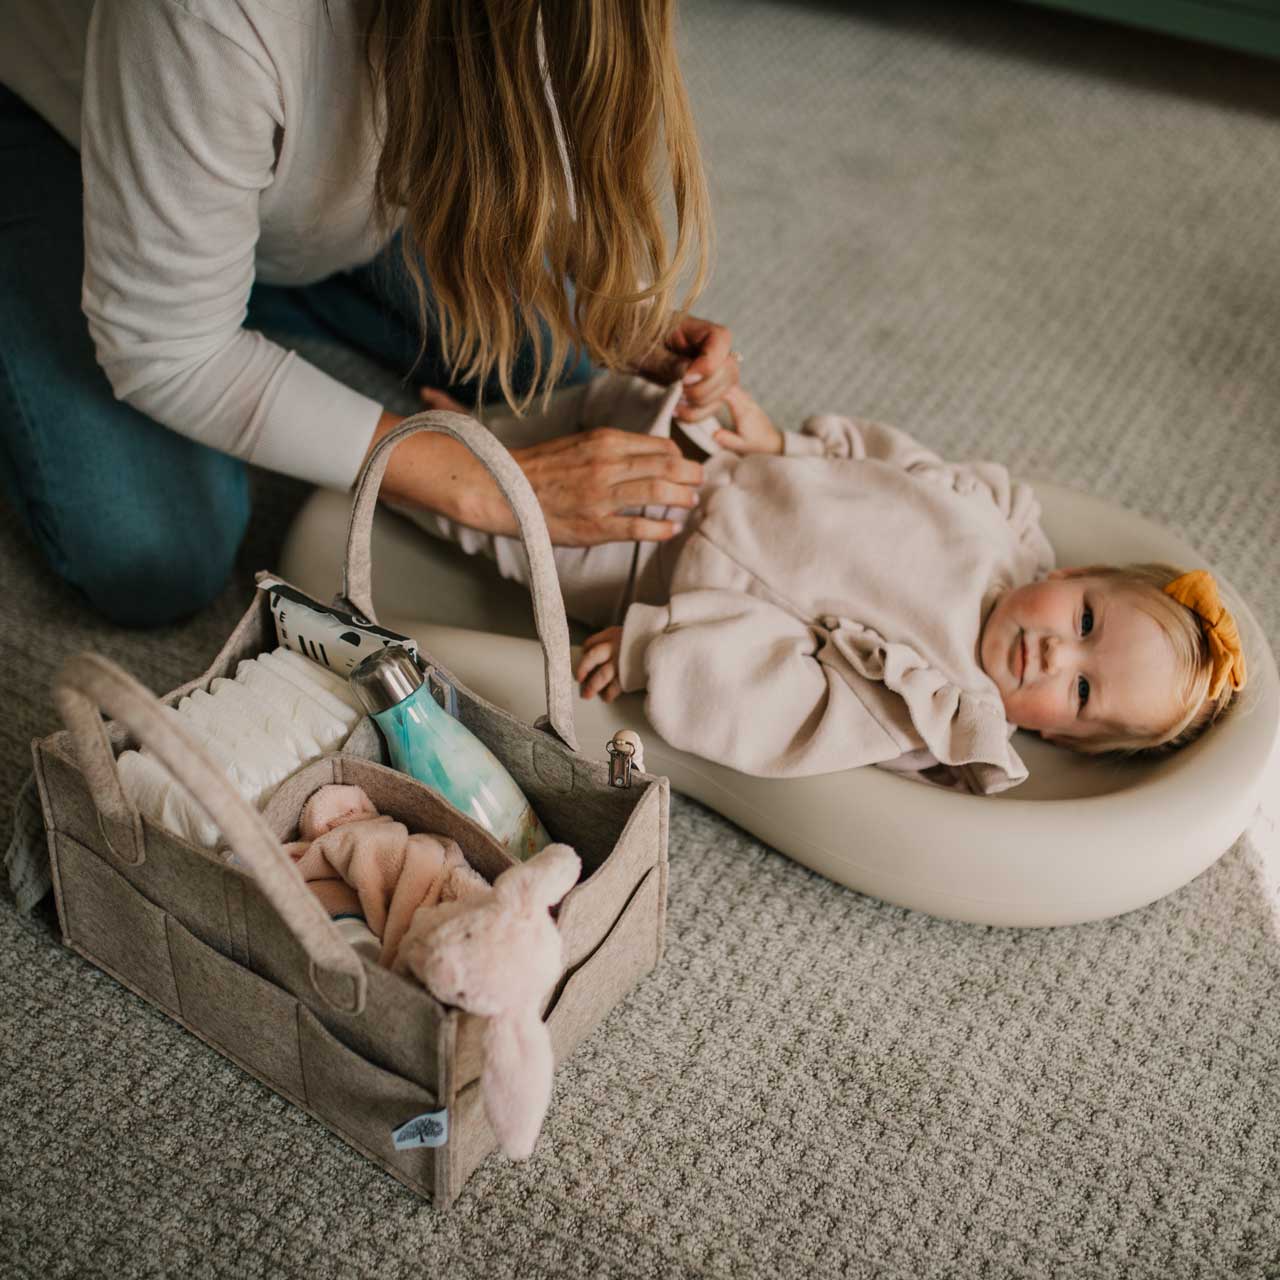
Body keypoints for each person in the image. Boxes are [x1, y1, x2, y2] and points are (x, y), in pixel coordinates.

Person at [0, 0, 737, 627]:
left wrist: (607, 308)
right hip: (56, 123)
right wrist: (483, 483)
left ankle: (223, 261)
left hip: (289, 168)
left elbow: (527, 134)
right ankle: (177, 266)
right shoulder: (207, 16)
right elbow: (168, 351)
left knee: (556, 365)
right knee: (155, 556)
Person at [406, 373, 1248, 794]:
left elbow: (787, 702)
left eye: (1080, 688)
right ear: (1071, 574)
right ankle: (482, 414)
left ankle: (421, 468)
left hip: (653, 563)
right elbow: (889, 468)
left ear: (1057, 739)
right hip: (720, 464)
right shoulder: (997, 528)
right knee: (600, 391)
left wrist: (655, 647)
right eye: (1087, 621)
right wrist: (781, 446)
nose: (1054, 651)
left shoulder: (938, 703)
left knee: (512, 516)